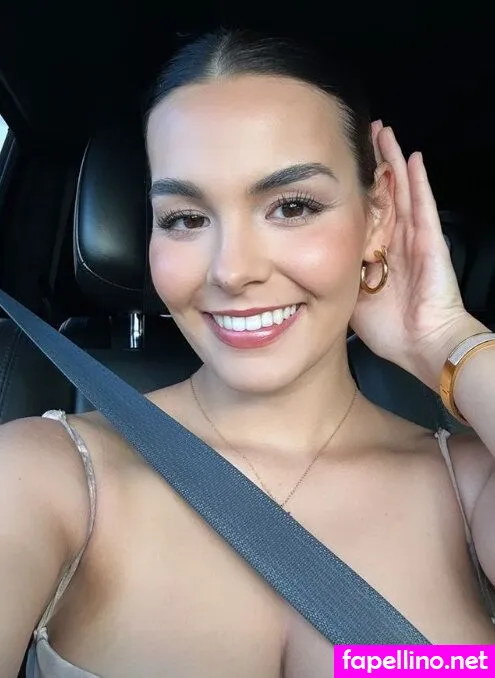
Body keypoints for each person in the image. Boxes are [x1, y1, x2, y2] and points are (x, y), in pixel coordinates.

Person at [1, 28, 495, 678]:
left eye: (291, 207)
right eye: (185, 218)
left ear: (376, 216)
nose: (232, 271)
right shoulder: (45, 475)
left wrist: (447, 338)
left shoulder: (470, 487)